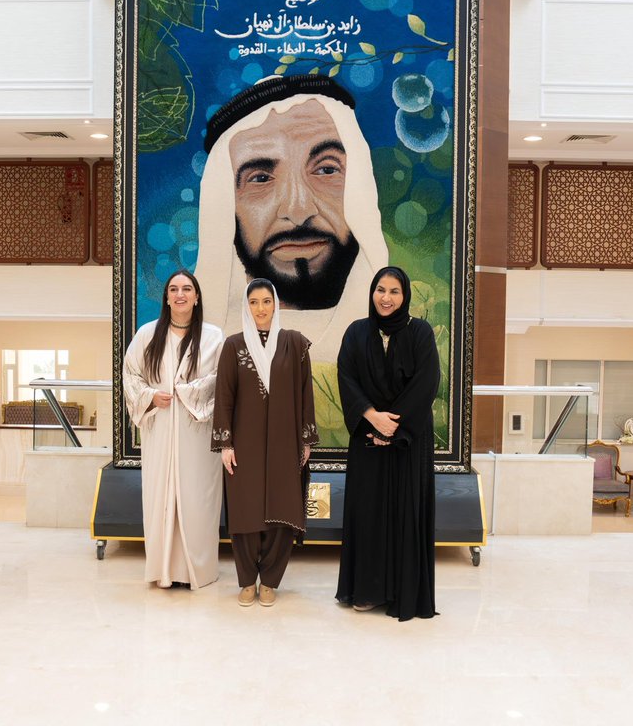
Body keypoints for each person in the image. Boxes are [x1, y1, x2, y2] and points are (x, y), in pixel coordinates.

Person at [197, 74, 390, 362]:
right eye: (261, 178)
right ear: (226, 208)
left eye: (326, 170)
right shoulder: (207, 351)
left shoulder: (400, 339)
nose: (299, 211)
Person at [335, 266, 440, 621]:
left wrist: (392, 427)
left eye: (394, 291)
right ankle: (366, 591)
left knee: (405, 513)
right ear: (372, 292)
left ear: (404, 296)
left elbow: (427, 382)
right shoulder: (356, 332)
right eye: (381, 289)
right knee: (368, 514)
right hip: (367, 439)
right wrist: (371, 416)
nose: (386, 297)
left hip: (408, 442)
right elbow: (347, 378)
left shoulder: (420, 332)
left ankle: (402, 592)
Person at [211, 278, 318, 607]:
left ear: (276, 304)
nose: (260, 309)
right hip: (245, 442)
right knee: (246, 510)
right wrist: (225, 443)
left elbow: (306, 393)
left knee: (281, 511)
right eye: (254, 302)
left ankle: (270, 580)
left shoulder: (294, 344)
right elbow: (224, 396)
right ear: (247, 306)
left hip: (286, 441)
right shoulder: (233, 346)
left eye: (266, 301)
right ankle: (246, 580)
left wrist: (306, 439)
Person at [122, 269, 224, 589]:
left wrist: (188, 393)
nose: (180, 294)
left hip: (198, 432)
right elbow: (131, 376)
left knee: (197, 499)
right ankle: (163, 570)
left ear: (197, 297)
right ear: (166, 297)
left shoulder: (213, 337)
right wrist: (151, 396)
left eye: (187, 289)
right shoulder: (147, 334)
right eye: (174, 289)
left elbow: (223, 380)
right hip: (160, 429)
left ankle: (198, 570)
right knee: (161, 496)